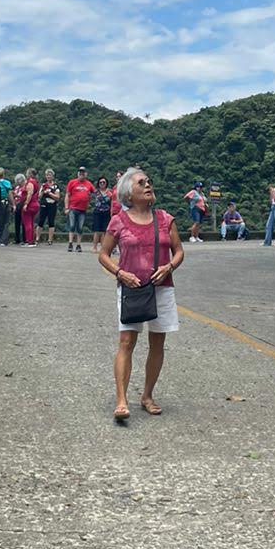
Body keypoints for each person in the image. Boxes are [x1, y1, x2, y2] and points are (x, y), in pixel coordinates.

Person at [98, 167, 185, 423]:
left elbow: (179, 251)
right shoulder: (118, 221)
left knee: (158, 342)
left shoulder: (165, 219)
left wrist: (169, 267)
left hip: (162, 287)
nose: (148, 185)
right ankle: (121, 400)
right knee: (127, 341)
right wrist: (120, 273)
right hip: (131, 288)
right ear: (128, 194)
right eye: (141, 183)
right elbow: (103, 254)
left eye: (149, 181)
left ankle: (147, 396)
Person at [64, 166, 94, 252]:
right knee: (72, 226)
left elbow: (94, 193)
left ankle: (78, 245)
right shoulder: (72, 182)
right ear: (78, 174)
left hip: (83, 209)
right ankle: (70, 243)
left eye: (83, 173)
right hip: (73, 208)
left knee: (80, 227)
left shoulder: (89, 184)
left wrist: (89, 201)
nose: (81, 174)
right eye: (80, 173)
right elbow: (67, 195)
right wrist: (66, 207)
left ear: (86, 174)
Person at [90, 178, 113, 251]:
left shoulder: (110, 191)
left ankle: (103, 247)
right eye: (100, 182)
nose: (102, 184)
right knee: (96, 230)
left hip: (106, 212)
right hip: (97, 212)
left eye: (104, 182)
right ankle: (94, 247)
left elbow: (112, 201)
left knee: (104, 230)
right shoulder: (96, 192)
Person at [38, 169, 60, 244]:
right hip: (44, 204)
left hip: (52, 205)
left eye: (50, 175)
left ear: (53, 176)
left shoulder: (56, 186)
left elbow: (57, 197)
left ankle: (50, 239)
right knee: (41, 221)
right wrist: (43, 191)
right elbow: (39, 196)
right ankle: (37, 238)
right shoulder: (43, 185)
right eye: (47, 175)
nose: (48, 177)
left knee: (51, 221)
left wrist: (49, 193)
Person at [12, 171, 26, 245]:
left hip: (22, 205)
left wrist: (17, 195)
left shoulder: (25, 188)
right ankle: (17, 239)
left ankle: (24, 238)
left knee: (24, 223)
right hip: (17, 205)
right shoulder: (17, 188)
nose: (18, 184)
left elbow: (24, 196)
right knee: (17, 222)